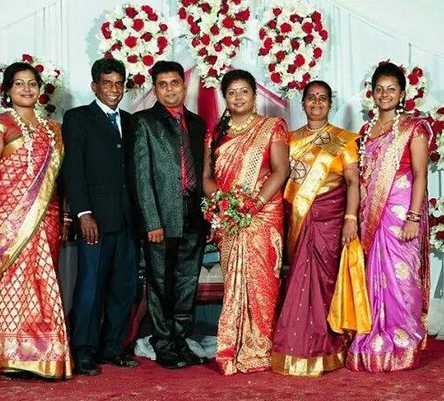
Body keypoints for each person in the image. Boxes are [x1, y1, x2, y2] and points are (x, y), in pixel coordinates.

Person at [0, 62, 73, 379]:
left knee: (44, 282)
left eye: (32, 83)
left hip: (47, 217)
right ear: (8, 90)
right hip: (10, 219)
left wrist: (66, 216)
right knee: (12, 284)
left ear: (40, 89)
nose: (27, 89)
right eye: (19, 83)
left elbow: (61, 180)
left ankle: (45, 356)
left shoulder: (54, 130)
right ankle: (11, 356)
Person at [271, 80, 366, 377]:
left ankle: (328, 346)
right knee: (299, 280)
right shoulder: (290, 139)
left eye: (323, 98)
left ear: (330, 104)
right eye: (311, 97)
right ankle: (297, 346)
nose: (317, 102)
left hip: (331, 217)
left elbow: (353, 181)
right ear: (302, 104)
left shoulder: (344, 140)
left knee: (325, 282)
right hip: (299, 220)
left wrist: (350, 219)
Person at [203, 69, 290, 375]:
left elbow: (281, 170)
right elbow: (206, 178)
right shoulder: (215, 134)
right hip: (229, 217)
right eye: (232, 92)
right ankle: (234, 346)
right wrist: (224, 204)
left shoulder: (271, 127)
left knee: (263, 282)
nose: (238, 97)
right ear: (224, 98)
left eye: (244, 91)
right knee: (234, 282)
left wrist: (254, 204)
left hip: (263, 214)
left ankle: (260, 349)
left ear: (254, 95)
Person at [347, 62, 432, 372]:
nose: (384, 94)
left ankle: (404, 343)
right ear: (372, 93)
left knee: (401, 275)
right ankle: (374, 338)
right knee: (373, 277)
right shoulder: (366, 131)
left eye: (391, 89)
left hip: (400, 211)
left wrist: (413, 217)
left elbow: (420, 175)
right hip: (371, 213)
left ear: (402, 93)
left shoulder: (413, 128)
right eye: (379, 89)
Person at [61, 58, 139, 376]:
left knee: (124, 287)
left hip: (128, 221)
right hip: (94, 220)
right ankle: (84, 351)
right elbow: (73, 169)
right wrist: (82, 213)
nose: (114, 89)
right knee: (90, 287)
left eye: (119, 83)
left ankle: (113, 348)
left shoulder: (131, 122)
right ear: (95, 86)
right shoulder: (78, 118)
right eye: (107, 83)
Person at [132, 61, 208, 369]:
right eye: (162, 85)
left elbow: (204, 171)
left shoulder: (198, 123)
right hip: (161, 218)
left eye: (174, 83)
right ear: (155, 89)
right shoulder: (144, 122)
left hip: (194, 214)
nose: (169, 89)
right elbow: (141, 177)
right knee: (161, 282)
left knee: (187, 281)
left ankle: (180, 341)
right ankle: (163, 344)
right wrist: (152, 221)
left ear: (184, 86)